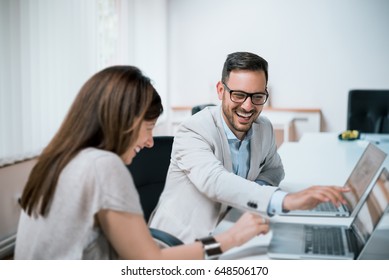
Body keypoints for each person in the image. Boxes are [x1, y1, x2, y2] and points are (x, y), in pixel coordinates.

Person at [15, 65, 269, 260]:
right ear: (124, 121)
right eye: (148, 128)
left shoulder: (58, 158)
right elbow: (151, 261)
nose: (150, 142)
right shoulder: (102, 166)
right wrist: (231, 238)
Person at [149, 52, 350, 243]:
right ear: (221, 91)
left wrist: (251, 196)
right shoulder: (193, 130)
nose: (247, 106)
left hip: (233, 229)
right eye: (238, 95)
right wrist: (285, 201)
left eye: (257, 97)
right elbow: (215, 180)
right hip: (182, 242)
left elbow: (274, 170)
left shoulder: (264, 128)